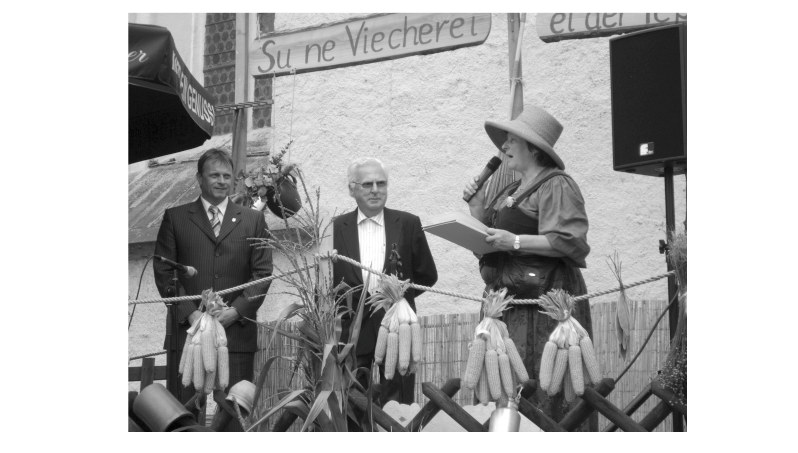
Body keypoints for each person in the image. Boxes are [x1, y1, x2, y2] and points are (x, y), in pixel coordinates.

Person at [462, 105, 597, 430]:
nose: (503, 148)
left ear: (533, 149)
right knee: (506, 391)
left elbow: (570, 241)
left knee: (544, 388)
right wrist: (477, 204)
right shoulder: (509, 190)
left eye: (511, 141)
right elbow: (491, 238)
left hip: (543, 306)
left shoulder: (556, 184)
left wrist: (517, 242)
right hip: (506, 306)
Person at [154, 148, 272, 430]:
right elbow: (165, 272)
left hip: (236, 335)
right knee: (181, 418)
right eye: (214, 175)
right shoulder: (176, 217)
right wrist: (191, 315)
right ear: (199, 179)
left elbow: (263, 273)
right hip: (188, 336)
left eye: (226, 176)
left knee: (234, 420)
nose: (221, 181)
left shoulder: (252, 220)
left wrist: (236, 311)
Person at [333, 157, 438, 411]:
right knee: (353, 406)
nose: (375, 190)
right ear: (352, 189)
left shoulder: (408, 223)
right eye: (367, 184)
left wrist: (396, 299)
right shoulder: (335, 228)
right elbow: (327, 281)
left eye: (381, 183)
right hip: (351, 333)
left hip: (397, 329)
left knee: (398, 405)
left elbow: (427, 275)